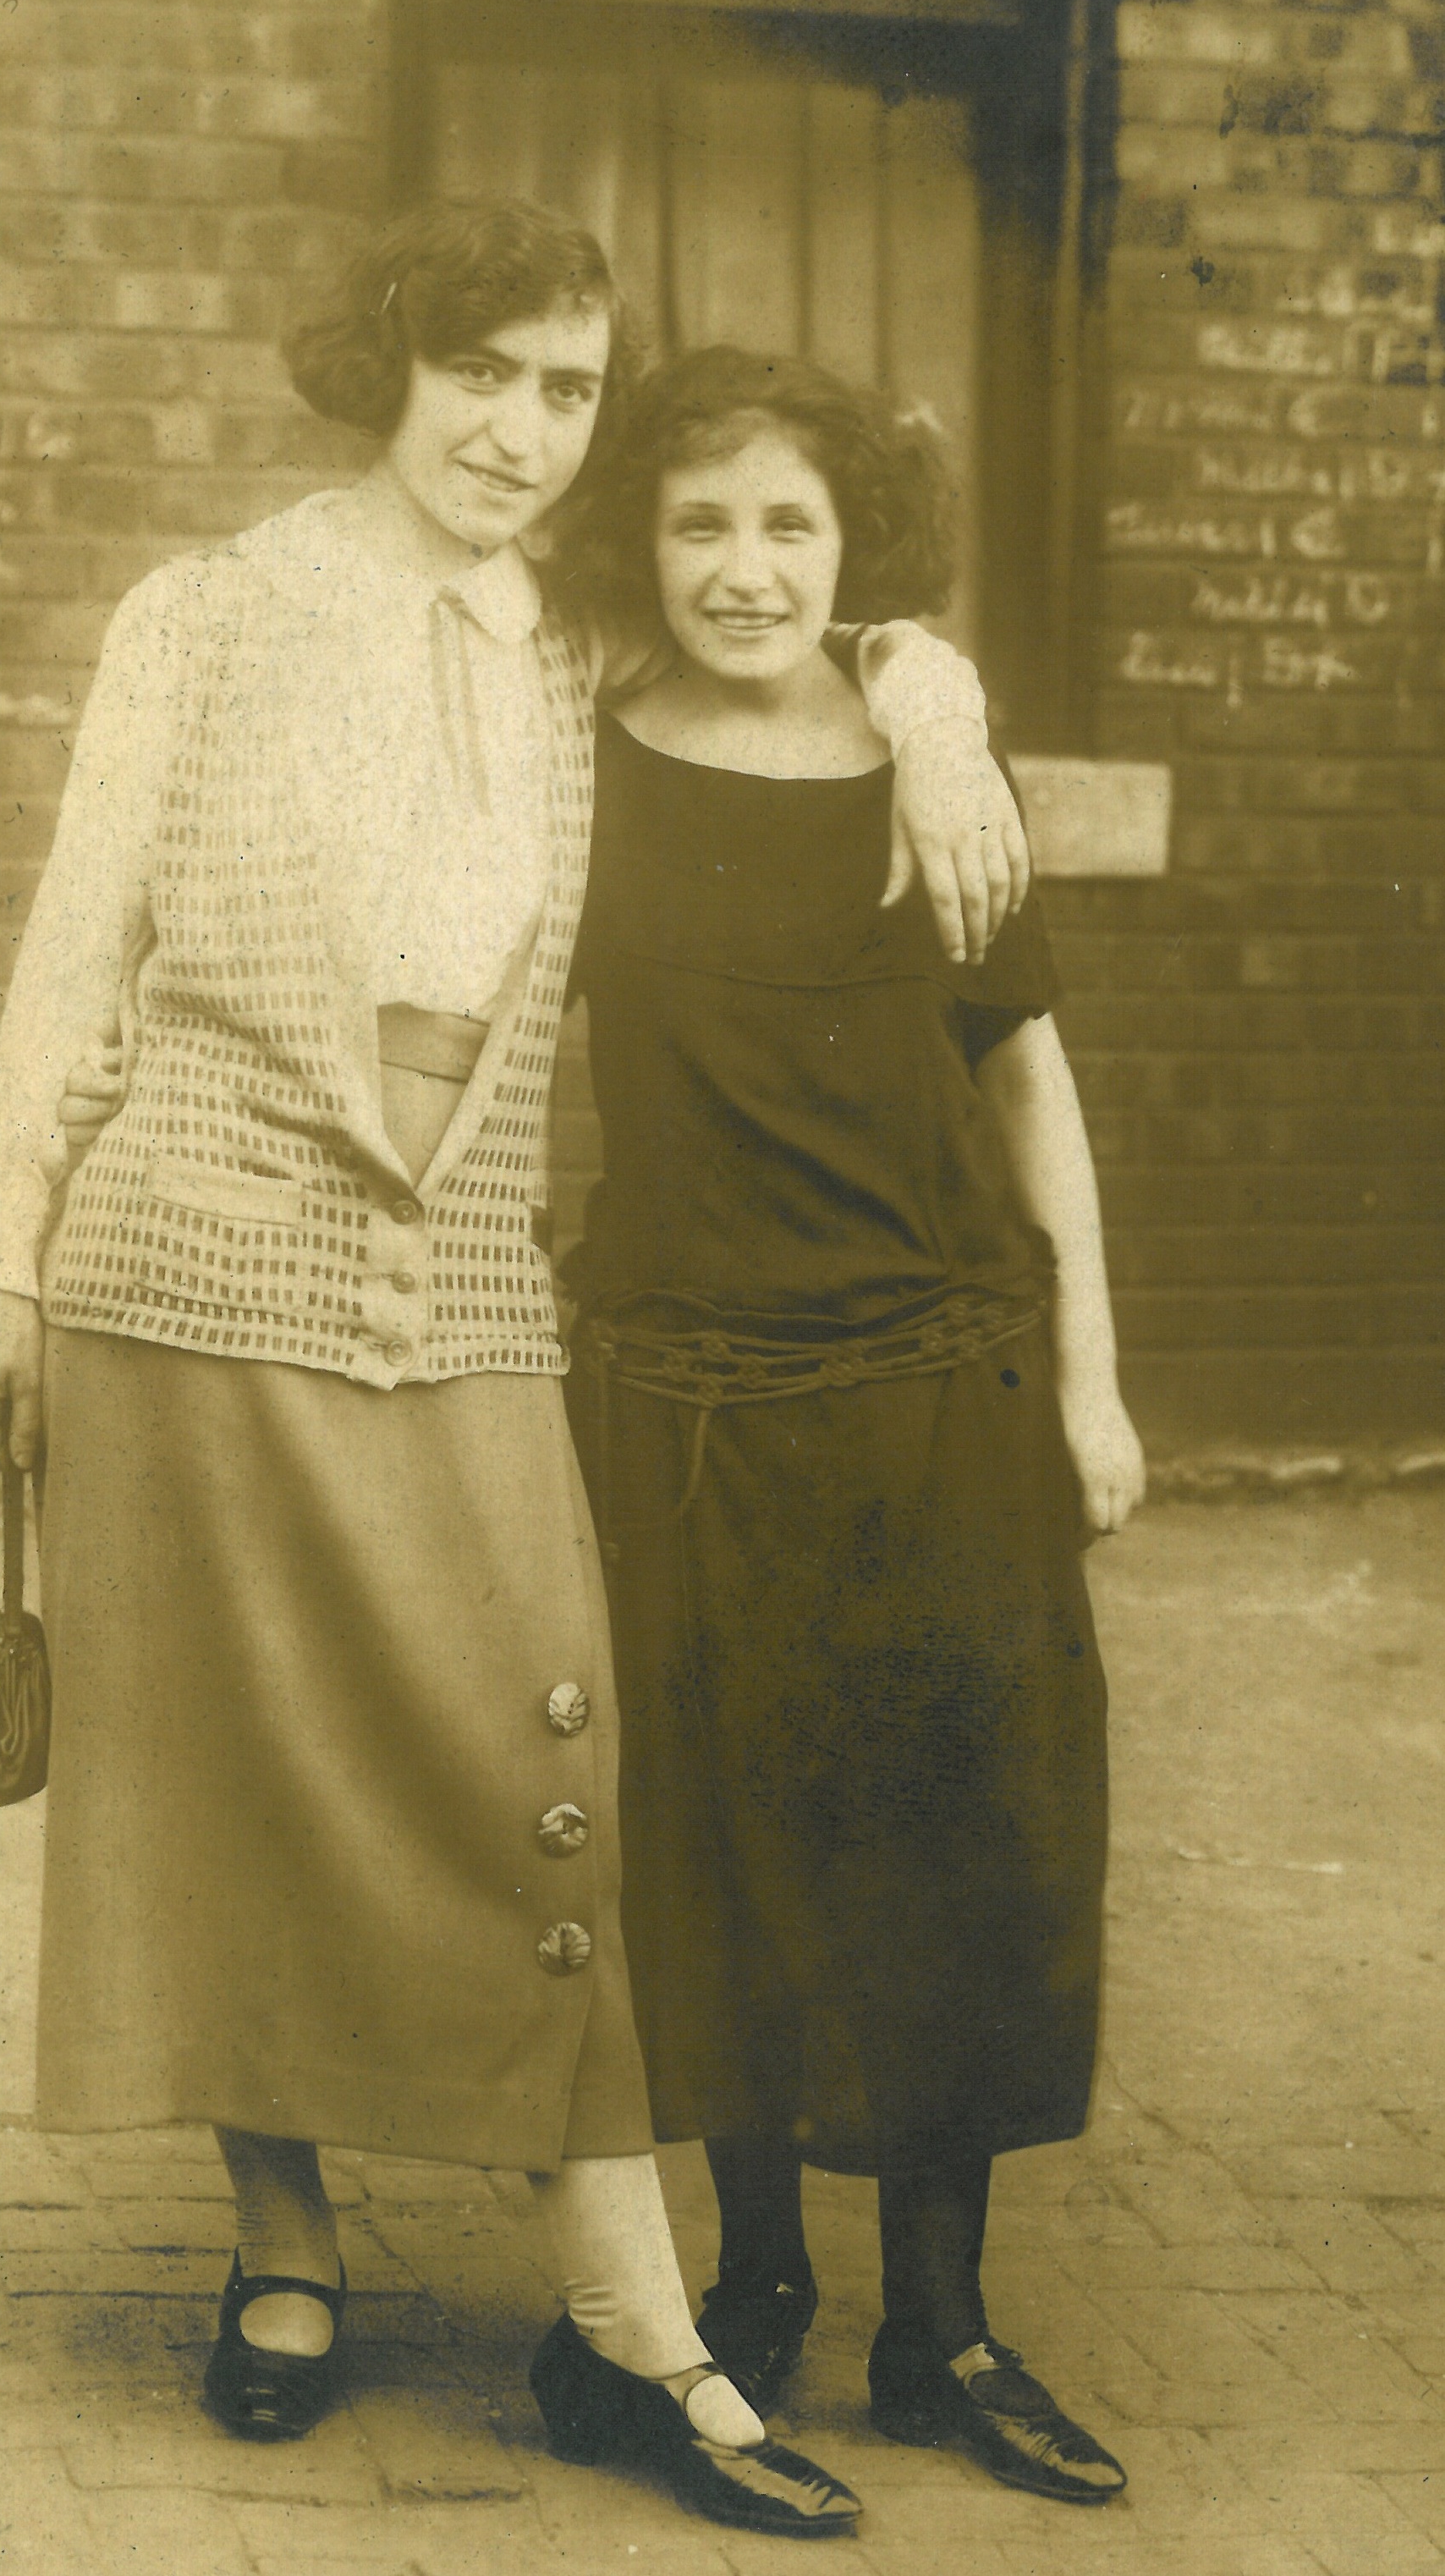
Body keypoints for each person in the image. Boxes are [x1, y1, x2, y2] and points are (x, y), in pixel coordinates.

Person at [0, 198, 1024, 2535]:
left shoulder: (584, 635)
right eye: (484, 375)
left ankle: (631, 2332)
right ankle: (284, 2251)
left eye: (566, 391)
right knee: (228, 1783)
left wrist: (935, 715)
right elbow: (75, 933)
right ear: (389, 366)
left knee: (543, 1771)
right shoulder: (208, 614)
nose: (523, 432)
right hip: (181, 1270)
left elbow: (822, 618)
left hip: (466, 1293)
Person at [551, 344, 1147, 2507]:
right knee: (720, 1854)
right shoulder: (578, 762)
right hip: (685, 1406)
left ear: (853, 546)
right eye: (698, 520)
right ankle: (759, 2285)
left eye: (789, 522)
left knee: (956, 1848)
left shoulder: (929, 779)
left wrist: (1089, 1384)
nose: (743, 565)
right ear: (640, 540)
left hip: (934, 1394)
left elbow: (1028, 1084)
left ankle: (942, 2330)